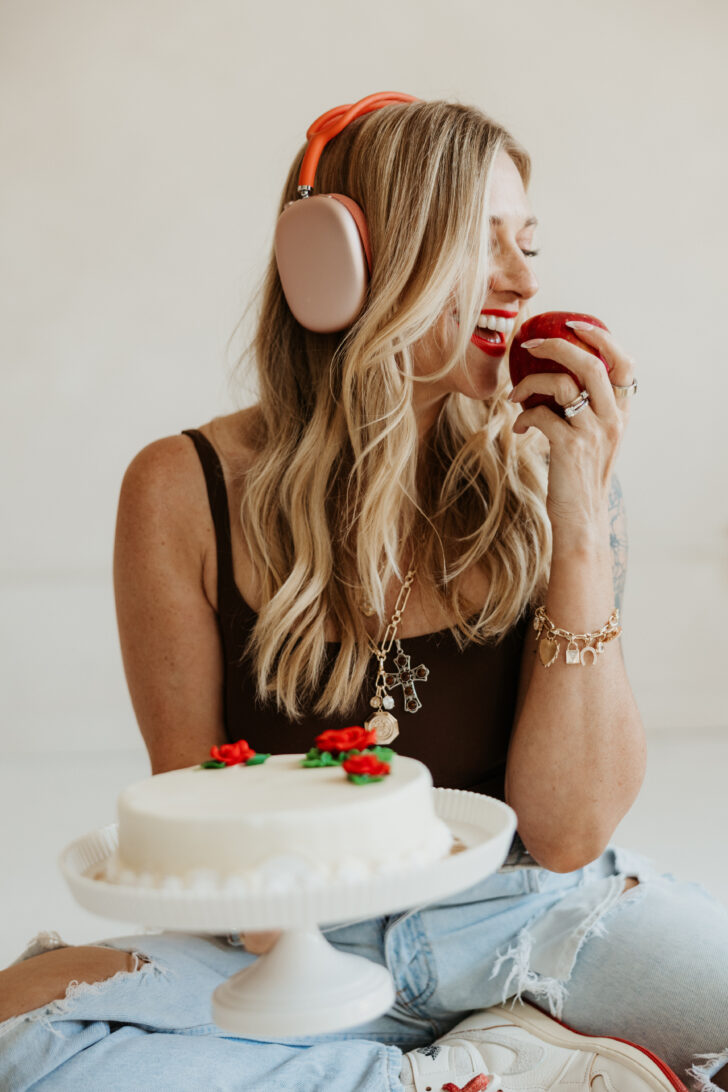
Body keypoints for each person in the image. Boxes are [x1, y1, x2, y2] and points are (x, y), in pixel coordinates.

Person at [1, 93, 726, 1092]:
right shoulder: (181, 489)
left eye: (530, 243)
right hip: (289, 946)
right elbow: (211, 837)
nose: (523, 279)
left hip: (534, 920)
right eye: (484, 243)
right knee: (29, 1050)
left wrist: (578, 524)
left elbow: (567, 834)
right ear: (343, 261)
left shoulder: (552, 477)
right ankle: (459, 1076)